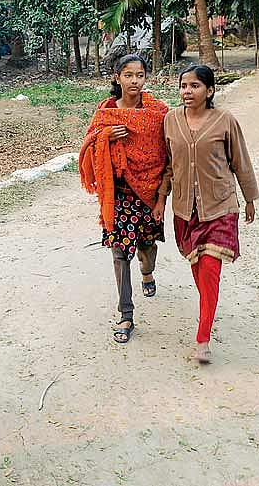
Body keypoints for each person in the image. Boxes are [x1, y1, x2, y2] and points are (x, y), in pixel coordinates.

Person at [160, 64, 258, 364]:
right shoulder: (170, 120)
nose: (187, 91)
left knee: (211, 272)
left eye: (195, 86)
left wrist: (250, 198)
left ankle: (203, 338)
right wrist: (160, 200)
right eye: (183, 86)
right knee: (199, 271)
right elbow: (167, 164)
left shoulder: (224, 121)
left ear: (210, 90)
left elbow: (240, 161)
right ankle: (208, 310)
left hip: (220, 206)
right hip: (184, 209)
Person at [79, 54, 169, 344]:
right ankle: (126, 314)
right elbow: (88, 145)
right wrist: (105, 135)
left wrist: (161, 199)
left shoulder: (157, 113)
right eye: (128, 75)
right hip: (118, 194)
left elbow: (166, 154)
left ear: (145, 78)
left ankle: (148, 272)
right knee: (119, 252)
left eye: (140, 75)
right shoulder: (105, 112)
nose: (134, 81)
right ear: (117, 77)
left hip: (149, 191)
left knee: (147, 246)